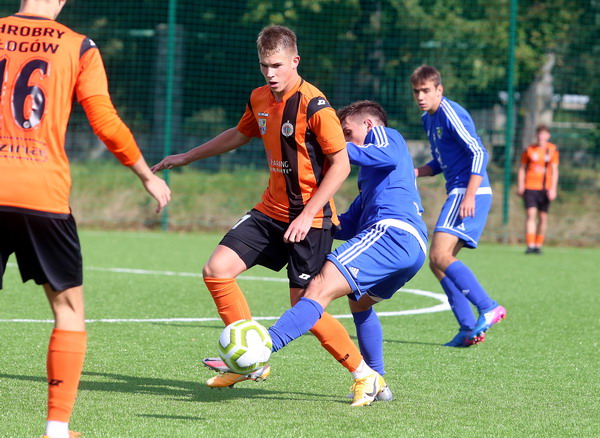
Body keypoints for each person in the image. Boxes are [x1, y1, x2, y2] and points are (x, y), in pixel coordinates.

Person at [151, 25, 362, 390]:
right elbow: (239, 133)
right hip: (270, 211)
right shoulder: (259, 97)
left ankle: (364, 375)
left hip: (310, 220)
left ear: (295, 61)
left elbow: (341, 166)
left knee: (305, 309)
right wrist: (187, 156)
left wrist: (307, 214)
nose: (270, 73)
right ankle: (251, 361)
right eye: (264, 65)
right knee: (217, 270)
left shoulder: (315, 106)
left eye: (277, 65)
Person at [0, 1, 171, 437]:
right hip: (42, 192)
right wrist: (146, 175)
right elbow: (105, 122)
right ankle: (56, 430)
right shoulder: (78, 46)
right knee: (69, 309)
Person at [266, 100, 428, 406]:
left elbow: (386, 153)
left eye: (346, 132)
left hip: (392, 233)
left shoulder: (385, 135)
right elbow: (347, 225)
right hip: (410, 246)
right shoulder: (371, 180)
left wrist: (331, 146)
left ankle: (260, 348)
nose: (342, 138)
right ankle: (377, 381)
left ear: (368, 124)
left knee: (318, 288)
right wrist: (306, 219)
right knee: (360, 304)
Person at [410, 65, 506, 347]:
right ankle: (467, 329)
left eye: (426, 90)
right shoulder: (428, 119)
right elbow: (441, 162)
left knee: (439, 255)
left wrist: (469, 195)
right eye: (416, 91)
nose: (420, 96)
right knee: (438, 264)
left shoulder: (449, 112)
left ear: (439, 90)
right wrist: (415, 172)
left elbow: (479, 152)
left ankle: (488, 307)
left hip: (468, 191)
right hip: (460, 191)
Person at [517, 124, 559, 254]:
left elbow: (555, 170)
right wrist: (521, 185)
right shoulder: (529, 150)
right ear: (536, 135)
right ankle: (530, 245)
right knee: (531, 214)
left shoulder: (552, 150)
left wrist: (553, 188)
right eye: (540, 134)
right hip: (530, 187)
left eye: (544, 134)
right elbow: (522, 168)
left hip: (545, 188)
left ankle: (538, 245)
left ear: (548, 136)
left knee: (543, 217)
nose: (542, 137)